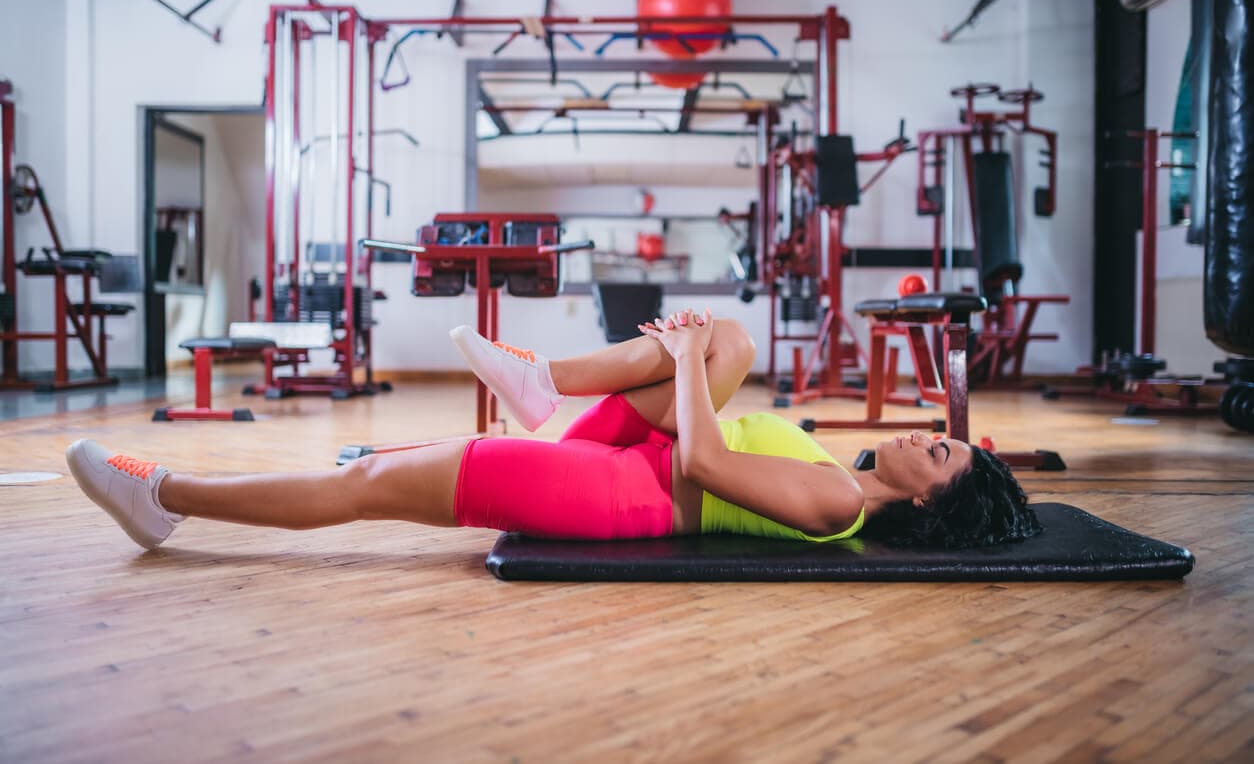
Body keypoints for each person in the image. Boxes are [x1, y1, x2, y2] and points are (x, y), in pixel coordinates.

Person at [66, 310, 1041, 552]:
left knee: (370, 487)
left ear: (928, 500)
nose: (926, 435)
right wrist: (698, 353)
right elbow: (700, 438)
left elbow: (705, 460)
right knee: (734, 339)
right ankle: (540, 383)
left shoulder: (837, 503)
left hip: (625, 492)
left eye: (940, 452)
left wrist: (685, 358)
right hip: (640, 458)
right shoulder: (835, 471)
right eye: (942, 435)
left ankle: (165, 498)